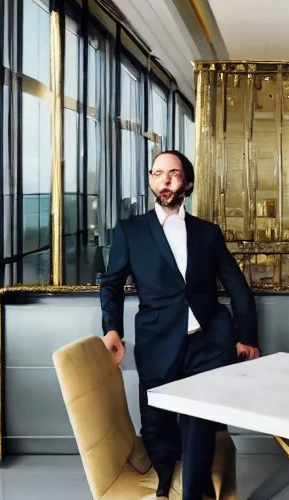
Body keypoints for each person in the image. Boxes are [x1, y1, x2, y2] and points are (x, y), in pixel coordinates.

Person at [100, 150, 260, 500]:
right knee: (156, 420)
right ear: (151, 182)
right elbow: (111, 284)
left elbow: (236, 286)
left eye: (173, 173)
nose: (165, 180)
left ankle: (195, 486)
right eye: (157, 173)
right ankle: (164, 473)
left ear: (187, 182)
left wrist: (247, 337)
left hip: (210, 342)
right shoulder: (131, 231)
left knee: (199, 418)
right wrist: (112, 329)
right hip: (157, 340)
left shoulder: (208, 232)